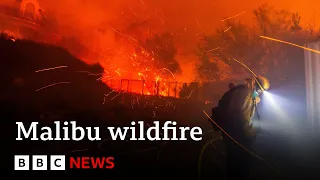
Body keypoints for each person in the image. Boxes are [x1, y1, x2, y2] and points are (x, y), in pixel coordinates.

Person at [214, 76, 270, 180]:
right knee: (241, 166)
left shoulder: (239, 90)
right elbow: (243, 118)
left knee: (232, 163)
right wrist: (251, 135)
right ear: (257, 86)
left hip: (229, 132)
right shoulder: (247, 93)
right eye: (260, 91)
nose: (259, 93)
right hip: (239, 135)